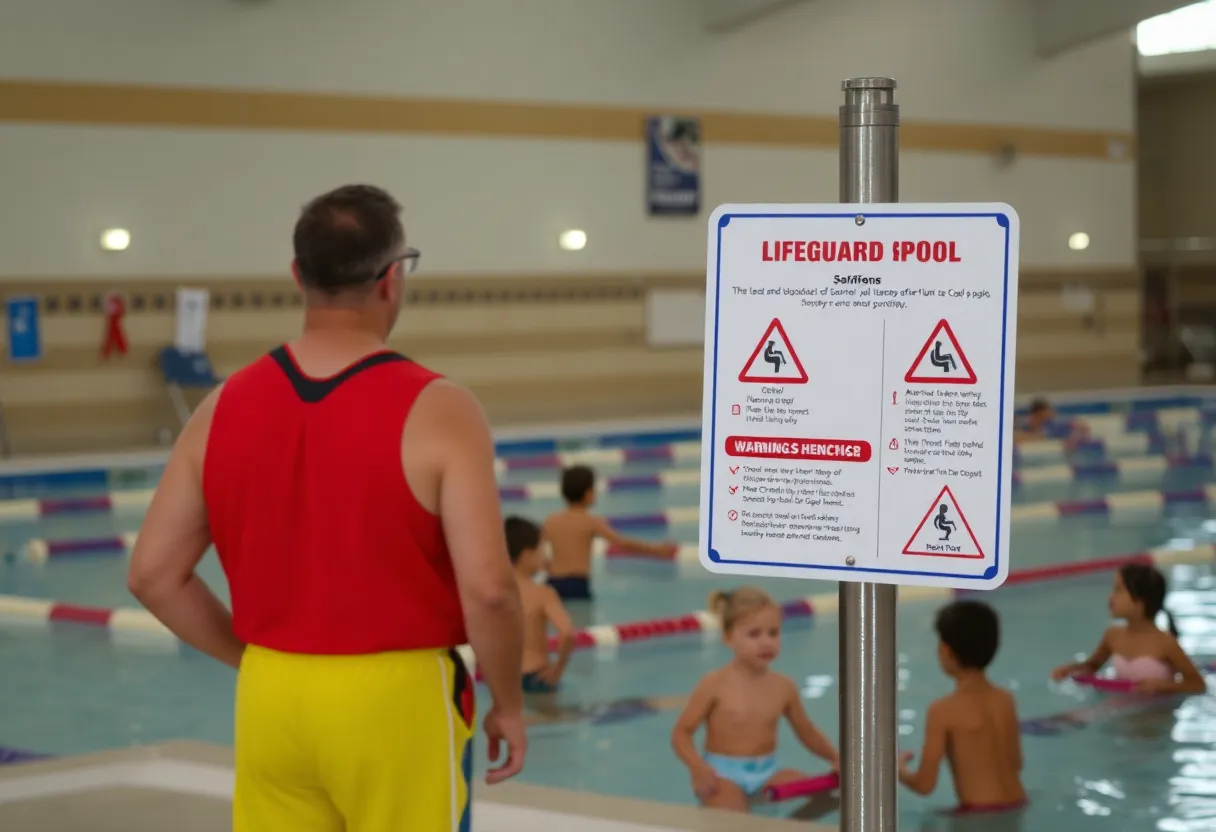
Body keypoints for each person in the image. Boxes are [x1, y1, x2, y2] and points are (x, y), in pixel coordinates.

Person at [127, 184, 527, 832]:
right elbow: (489, 589)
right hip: (395, 699)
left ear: (297, 276)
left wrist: (257, 658)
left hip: (271, 695)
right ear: (392, 279)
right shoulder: (440, 408)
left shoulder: (221, 406)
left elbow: (151, 574)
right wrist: (507, 701)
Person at [671, 587, 838, 813]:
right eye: (754, 634)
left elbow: (806, 732)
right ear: (728, 637)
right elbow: (682, 733)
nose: (766, 642)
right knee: (736, 818)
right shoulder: (714, 683)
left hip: (768, 771)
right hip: (722, 773)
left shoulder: (784, 686)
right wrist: (698, 769)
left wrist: (836, 758)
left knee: (824, 796)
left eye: (773, 633)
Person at [899, 599, 1027, 815]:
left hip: (978, 817)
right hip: (1019, 806)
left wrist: (898, 770)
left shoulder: (942, 710)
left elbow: (924, 785)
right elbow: (1016, 763)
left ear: (945, 650)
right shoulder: (1005, 699)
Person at [1051, 564, 1205, 693]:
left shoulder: (1165, 643)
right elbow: (1092, 666)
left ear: (1140, 600)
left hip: (1155, 719)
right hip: (1118, 711)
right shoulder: (1113, 635)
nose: (1110, 597)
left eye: (1118, 590)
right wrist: (1069, 669)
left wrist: (1166, 686)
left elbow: (1198, 685)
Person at [543, 464, 678, 600]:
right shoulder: (591, 521)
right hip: (577, 584)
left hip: (552, 582)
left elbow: (535, 548)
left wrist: (547, 566)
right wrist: (656, 549)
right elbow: (623, 543)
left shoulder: (551, 521)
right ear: (588, 494)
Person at [505, 515, 576, 693]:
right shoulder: (543, 593)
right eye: (542, 550)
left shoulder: (495, 592)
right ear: (527, 555)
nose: (545, 557)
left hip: (504, 679)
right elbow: (567, 633)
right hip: (536, 677)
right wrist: (558, 670)